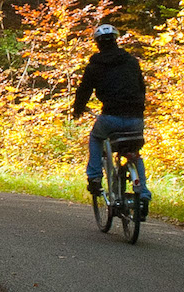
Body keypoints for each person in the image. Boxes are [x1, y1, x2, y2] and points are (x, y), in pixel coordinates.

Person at [71, 23, 151, 220]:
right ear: (116, 40)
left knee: (96, 137)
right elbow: (141, 88)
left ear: (97, 43)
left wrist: (77, 110)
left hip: (110, 117)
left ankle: (95, 177)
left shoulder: (95, 66)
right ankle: (144, 195)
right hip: (135, 119)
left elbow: (84, 91)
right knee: (134, 154)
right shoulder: (131, 62)